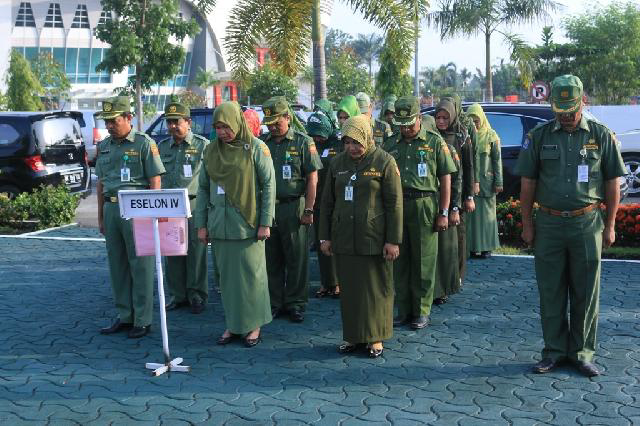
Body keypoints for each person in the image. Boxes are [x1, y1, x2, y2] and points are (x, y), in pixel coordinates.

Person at [515, 75, 626, 377]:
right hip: (549, 223)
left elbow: (612, 182)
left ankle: (582, 353)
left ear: (582, 103)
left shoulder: (601, 135)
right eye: (559, 110)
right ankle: (553, 351)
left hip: (587, 223)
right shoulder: (539, 136)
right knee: (550, 290)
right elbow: (528, 183)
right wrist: (527, 224)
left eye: (570, 110)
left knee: (586, 291)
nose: (564, 116)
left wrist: (611, 224)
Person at [319, 115, 402, 358]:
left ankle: (375, 337)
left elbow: (395, 204)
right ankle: (354, 337)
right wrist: (324, 237)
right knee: (352, 291)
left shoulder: (384, 161)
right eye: (347, 142)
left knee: (375, 290)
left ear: (367, 137)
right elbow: (327, 202)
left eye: (356, 142)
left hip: (374, 238)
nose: (352, 147)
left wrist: (393, 240)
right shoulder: (337, 164)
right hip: (344, 237)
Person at [195, 101, 275, 347]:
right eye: (217, 127)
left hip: (248, 224)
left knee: (252, 278)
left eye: (225, 126)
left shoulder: (256, 148)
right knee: (227, 281)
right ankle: (233, 324)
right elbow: (203, 189)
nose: (221, 132)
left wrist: (265, 222)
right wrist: (202, 224)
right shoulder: (211, 152)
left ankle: (253, 325)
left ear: (237, 124)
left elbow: (269, 185)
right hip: (220, 225)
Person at [383, 96, 457, 330]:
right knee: (400, 260)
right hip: (397, 206)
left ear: (419, 118)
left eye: (409, 123)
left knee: (424, 260)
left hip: (424, 204)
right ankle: (403, 309)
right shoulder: (391, 142)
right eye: (401, 124)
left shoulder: (434, 142)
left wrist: (444, 211)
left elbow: (446, 179)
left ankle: (422, 310)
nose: (405, 129)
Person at [96, 96, 165, 339]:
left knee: (141, 266)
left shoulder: (144, 143)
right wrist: (101, 218)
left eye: (113, 121)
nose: (109, 126)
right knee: (118, 265)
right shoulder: (104, 146)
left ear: (128, 118)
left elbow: (155, 179)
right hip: (112, 208)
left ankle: (143, 319)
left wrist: (154, 212)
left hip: (138, 208)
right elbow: (101, 184)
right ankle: (124, 316)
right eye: (107, 122)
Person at [261, 96, 323, 323]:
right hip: (268, 207)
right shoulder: (262, 142)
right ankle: (275, 302)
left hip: (294, 205)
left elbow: (312, 179)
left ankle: (296, 303)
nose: (273, 127)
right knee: (271, 258)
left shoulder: (303, 142)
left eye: (277, 122)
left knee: (297, 258)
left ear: (288, 117)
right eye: (269, 122)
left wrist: (309, 209)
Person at [158, 102, 209, 314]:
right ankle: (178, 295)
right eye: (169, 122)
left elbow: (211, 179)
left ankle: (196, 294)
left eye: (176, 122)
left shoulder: (203, 145)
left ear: (188, 122)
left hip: (194, 203)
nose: (171, 127)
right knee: (172, 251)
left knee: (196, 251)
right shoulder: (161, 147)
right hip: (169, 205)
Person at [434, 98, 476, 285]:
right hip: (439, 194)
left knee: (458, 238)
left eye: (445, 117)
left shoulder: (461, 136)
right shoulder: (432, 135)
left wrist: (469, 197)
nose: (441, 121)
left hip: (457, 194)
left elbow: (468, 168)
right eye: (438, 117)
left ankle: (457, 274)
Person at [424, 115, 462, 305]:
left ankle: (444, 289)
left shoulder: (447, 148)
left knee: (445, 253)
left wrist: (452, 209)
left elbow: (456, 181)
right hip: (426, 206)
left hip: (443, 205)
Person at [306, 112, 343, 299]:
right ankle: (326, 282)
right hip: (319, 200)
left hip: (337, 200)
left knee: (336, 240)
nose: (317, 138)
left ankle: (338, 282)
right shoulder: (310, 144)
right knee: (322, 241)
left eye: (320, 134)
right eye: (313, 134)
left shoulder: (339, 142)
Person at [465, 103, 503, 258]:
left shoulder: (491, 135)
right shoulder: (465, 136)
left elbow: (497, 160)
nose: (474, 124)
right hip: (470, 183)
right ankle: (472, 248)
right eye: (471, 121)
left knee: (487, 217)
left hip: (487, 183)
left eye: (477, 120)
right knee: (472, 218)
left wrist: (499, 182)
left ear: (482, 118)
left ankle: (487, 247)